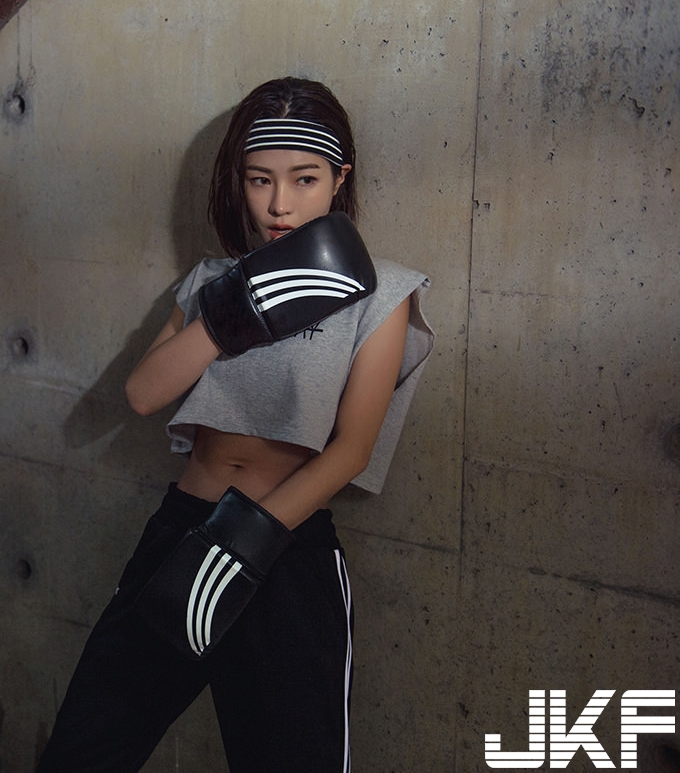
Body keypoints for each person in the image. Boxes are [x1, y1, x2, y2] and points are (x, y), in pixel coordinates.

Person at [36, 77, 435, 772]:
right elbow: (142, 394)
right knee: (82, 754)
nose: (279, 204)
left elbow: (351, 451)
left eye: (305, 179)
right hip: (182, 533)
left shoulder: (381, 292)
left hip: (286, 553)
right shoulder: (210, 281)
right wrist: (235, 311)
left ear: (339, 179)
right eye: (259, 180)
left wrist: (242, 548)